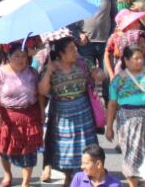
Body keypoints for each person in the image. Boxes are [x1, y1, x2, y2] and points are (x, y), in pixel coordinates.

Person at [40, 38, 100, 185]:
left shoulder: (82, 63)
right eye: (71, 49)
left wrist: (99, 74)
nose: (75, 52)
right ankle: (68, 177)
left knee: (85, 146)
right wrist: (48, 71)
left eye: (75, 48)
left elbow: (97, 72)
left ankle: (84, 177)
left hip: (83, 111)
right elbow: (42, 90)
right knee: (64, 147)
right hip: (62, 114)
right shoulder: (51, 67)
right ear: (60, 53)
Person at [105, 44, 145, 187]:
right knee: (129, 152)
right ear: (126, 60)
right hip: (126, 120)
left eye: (141, 58)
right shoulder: (118, 79)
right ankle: (133, 183)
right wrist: (109, 127)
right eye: (136, 58)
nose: (140, 61)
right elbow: (112, 104)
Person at [0, 44, 42, 187]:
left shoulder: (33, 73)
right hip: (6, 116)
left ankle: (26, 182)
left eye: (23, 56)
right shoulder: (0, 73)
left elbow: (40, 94)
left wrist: (42, 111)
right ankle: (7, 174)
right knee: (3, 149)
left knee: (29, 152)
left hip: (29, 116)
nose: (20, 59)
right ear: (9, 57)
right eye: (16, 56)